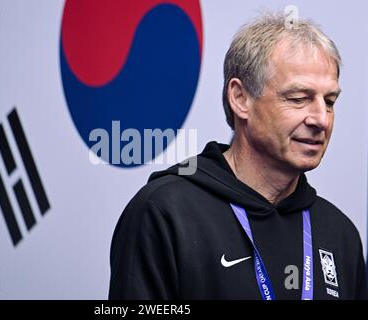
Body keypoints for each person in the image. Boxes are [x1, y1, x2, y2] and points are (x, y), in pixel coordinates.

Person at [108, 12, 367, 300]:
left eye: (329, 101)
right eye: (299, 98)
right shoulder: (164, 212)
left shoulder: (339, 233)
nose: (321, 119)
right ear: (240, 99)